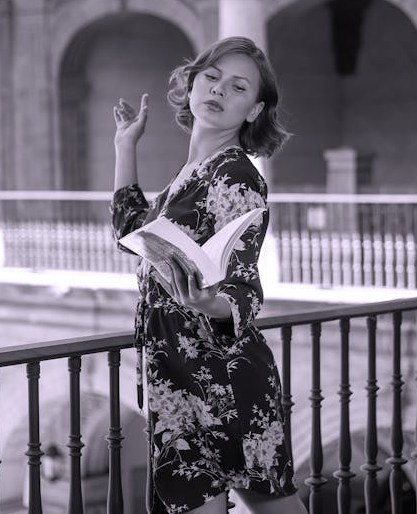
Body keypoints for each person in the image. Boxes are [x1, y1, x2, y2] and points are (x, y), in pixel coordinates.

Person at [110, 36, 308, 514]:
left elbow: (244, 288)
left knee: (270, 505)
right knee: (267, 504)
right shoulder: (192, 172)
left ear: (255, 110)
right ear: (193, 83)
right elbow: (129, 229)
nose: (219, 90)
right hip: (176, 377)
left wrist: (206, 302)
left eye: (238, 87)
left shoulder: (235, 176)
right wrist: (124, 145)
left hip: (223, 376)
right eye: (212, 77)